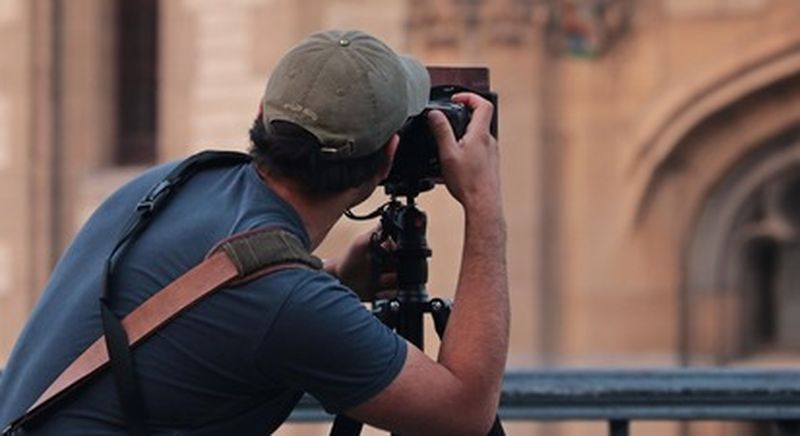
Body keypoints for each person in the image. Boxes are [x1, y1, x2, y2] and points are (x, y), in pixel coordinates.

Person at [0, 29, 508, 435]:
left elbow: (225, 311)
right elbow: (463, 414)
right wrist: (484, 210)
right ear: (386, 161)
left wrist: (336, 280)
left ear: (262, 117)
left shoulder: (171, 183)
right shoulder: (286, 300)